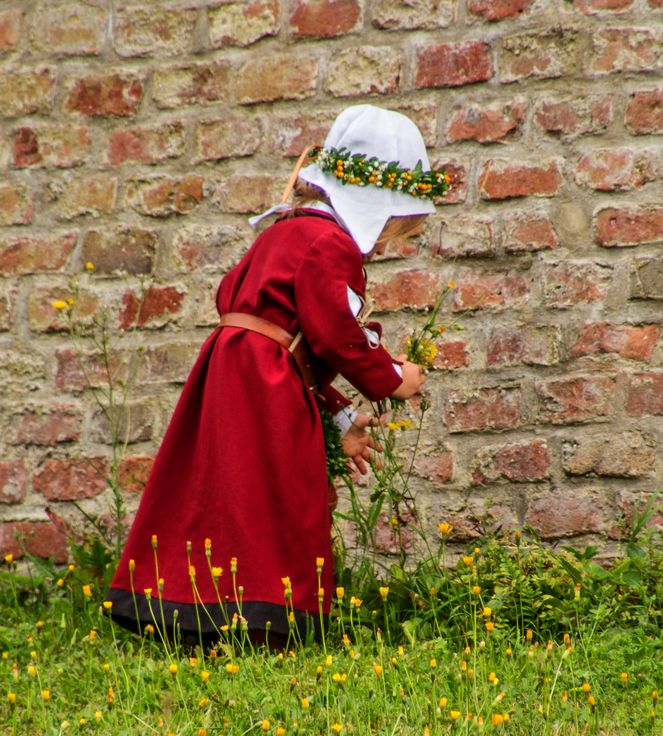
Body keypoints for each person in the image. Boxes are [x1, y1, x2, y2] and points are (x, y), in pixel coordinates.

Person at [104, 105, 450, 647]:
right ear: (373, 205)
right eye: (392, 230)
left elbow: (294, 344)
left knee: (222, 485)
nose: (385, 246)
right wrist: (392, 376)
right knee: (275, 490)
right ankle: (264, 617)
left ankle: (189, 607)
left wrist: (338, 419)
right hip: (257, 379)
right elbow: (335, 333)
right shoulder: (329, 244)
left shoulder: (287, 232)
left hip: (239, 370)